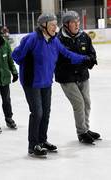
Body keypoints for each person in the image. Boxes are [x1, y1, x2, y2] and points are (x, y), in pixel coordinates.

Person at [12, 13, 92, 157]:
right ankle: (33, 145)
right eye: (52, 25)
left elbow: (67, 54)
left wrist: (84, 59)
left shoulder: (54, 41)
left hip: (46, 82)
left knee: (46, 112)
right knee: (37, 113)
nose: (56, 28)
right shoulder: (31, 39)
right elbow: (16, 55)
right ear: (43, 26)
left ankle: (42, 141)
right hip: (32, 83)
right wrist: (27, 65)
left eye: (56, 25)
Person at [55, 10, 100, 144]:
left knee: (87, 103)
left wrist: (91, 60)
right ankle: (81, 132)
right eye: (73, 22)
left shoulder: (84, 36)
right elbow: (60, 60)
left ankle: (85, 128)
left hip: (83, 75)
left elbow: (92, 53)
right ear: (66, 24)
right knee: (79, 103)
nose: (77, 24)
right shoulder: (58, 40)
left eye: (78, 21)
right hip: (67, 77)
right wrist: (81, 60)